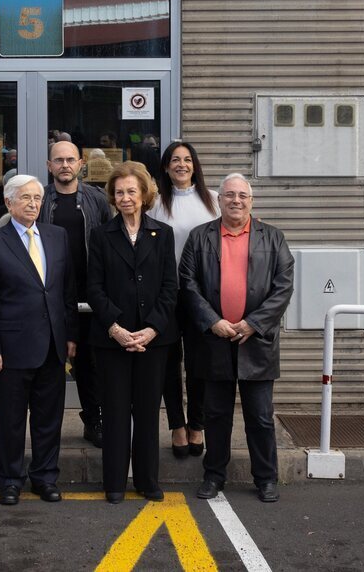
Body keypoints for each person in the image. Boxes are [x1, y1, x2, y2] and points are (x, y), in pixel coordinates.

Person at [180, 173, 294, 504]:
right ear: (219, 200)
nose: (236, 201)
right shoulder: (200, 237)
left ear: (251, 200)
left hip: (255, 342)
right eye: (229, 195)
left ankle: (266, 478)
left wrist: (254, 323)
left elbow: (283, 286)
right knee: (216, 415)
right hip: (214, 341)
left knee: (259, 416)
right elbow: (188, 283)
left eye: (242, 195)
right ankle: (214, 475)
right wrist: (212, 320)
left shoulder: (273, 238)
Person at [0, 175, 78, 506]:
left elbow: (66, 292)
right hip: (11, 349)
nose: (33, 204)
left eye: (37, 198)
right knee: (11, 420)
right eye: (26, 198)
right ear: (8, 203)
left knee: (49, 418)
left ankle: (45, 478)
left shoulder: (57, 237)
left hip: (52, 345)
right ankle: (9, 480)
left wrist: (71, 336)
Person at [87, 161, 178, 504]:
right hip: (113, 340)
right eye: (119, 192)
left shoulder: (162, 234)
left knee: (147, 412)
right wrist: (115, 328)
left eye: (131, 191)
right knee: (113, 412)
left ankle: (147, 481)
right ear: (112, 196)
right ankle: (114, 483)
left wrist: (152, 329)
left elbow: (171, 286)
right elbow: (93, 288)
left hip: (153, 341)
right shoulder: (101, 235)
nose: (125, 198)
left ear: (144, 194)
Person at [146, 140, 219, 458]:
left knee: (199, 363)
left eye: (187, 159)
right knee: (169, 363)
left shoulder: (214, 201)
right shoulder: (156, 204)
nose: (181, 164)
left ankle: (197, 426)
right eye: (174, 159)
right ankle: (177, 425)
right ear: (165, 166)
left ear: (195, 165)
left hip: (202, 295)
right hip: (167, 295)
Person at [37, 140, 111, 448]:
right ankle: (46, 428)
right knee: (51, 362)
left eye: (70, 160)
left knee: (89, 363)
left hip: (90, 294)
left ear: (81, 164)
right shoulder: (40, 199)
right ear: (49, 166)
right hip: (52, 294)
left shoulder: (97, 199)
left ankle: (93, 419)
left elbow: (110, 242)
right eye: (59, 160)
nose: (65, 165)